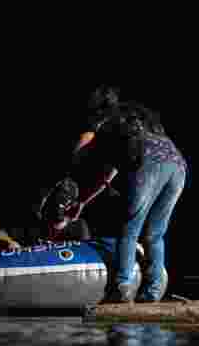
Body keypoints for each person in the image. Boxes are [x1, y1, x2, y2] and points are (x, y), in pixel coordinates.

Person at [69, 86, 186, 303]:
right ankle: (153, 291)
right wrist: (84, 201)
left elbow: (103, 172)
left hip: (150, 161)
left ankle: (121, 287)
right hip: (177, 162)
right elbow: (111, 174)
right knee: (155, 234)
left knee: (129, 229)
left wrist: (81, 201)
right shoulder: (134, 115)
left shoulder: (105, 128)